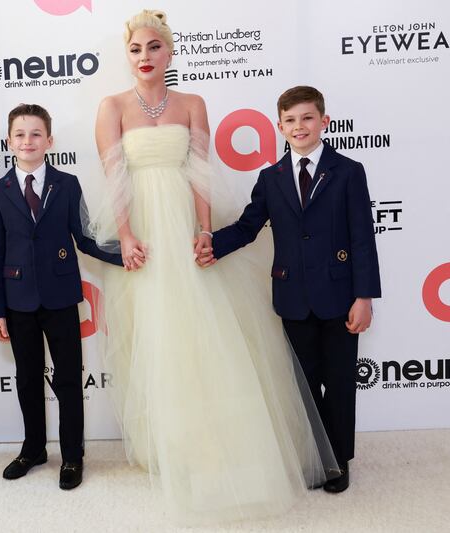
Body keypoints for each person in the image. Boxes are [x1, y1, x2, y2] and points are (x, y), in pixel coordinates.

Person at [88, 10, 338, 524]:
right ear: (127, 54)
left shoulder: (192, 103)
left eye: (154, 48)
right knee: (157, 336)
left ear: (169, 51)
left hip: (182, 227)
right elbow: (115, 175)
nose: (144, 58)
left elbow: (200, 172)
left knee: (206, 331)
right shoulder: (110, 106)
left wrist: (204, 232)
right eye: (136, 49)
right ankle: (174, 448)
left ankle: (220, 445)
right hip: (144, 232)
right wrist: (128, 234)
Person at [200, 86, 382, 493]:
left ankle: (339, 462)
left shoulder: (349, 171)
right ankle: (317, 456)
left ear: (324, 122)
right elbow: (249, 226)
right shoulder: (271, 178)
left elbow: (362, 238)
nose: (299, 127)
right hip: (292, 296)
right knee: (302, 384)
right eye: (291, 120)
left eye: (307, 118)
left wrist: (364, 296)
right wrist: (213, 243)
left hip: (339, 297)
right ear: (279, 126)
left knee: (338, 382)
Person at [0, 104, 124, 490]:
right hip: (17, 301)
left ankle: (72, 456)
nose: (27, 141)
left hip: (61, 297)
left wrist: (122, 254)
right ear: (9, 141)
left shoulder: (67, 184)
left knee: (67, 380)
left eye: (35, 134)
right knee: (27, 378)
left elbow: (84, 238)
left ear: (49, 140)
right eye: (20, 135)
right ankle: (32, 449)